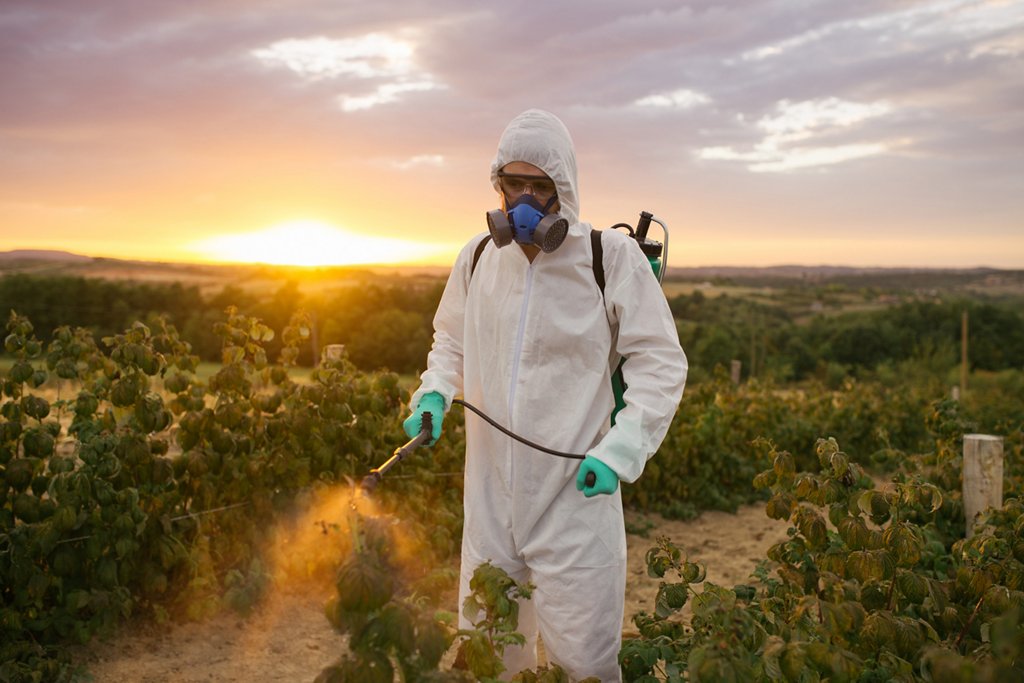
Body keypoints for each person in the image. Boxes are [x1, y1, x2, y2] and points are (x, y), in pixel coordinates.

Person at [402, 109, 687, 681]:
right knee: (489, 655)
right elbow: (450, 341)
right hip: (489, 500)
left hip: (575, 499)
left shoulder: (609, 259)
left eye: (540, 186)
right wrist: (433, 395)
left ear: (566, 189)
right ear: (497, 187)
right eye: (514, 184)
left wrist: (620, 453)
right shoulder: (478, 258)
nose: (525, 199)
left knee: (582, 663)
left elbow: (659, 363)